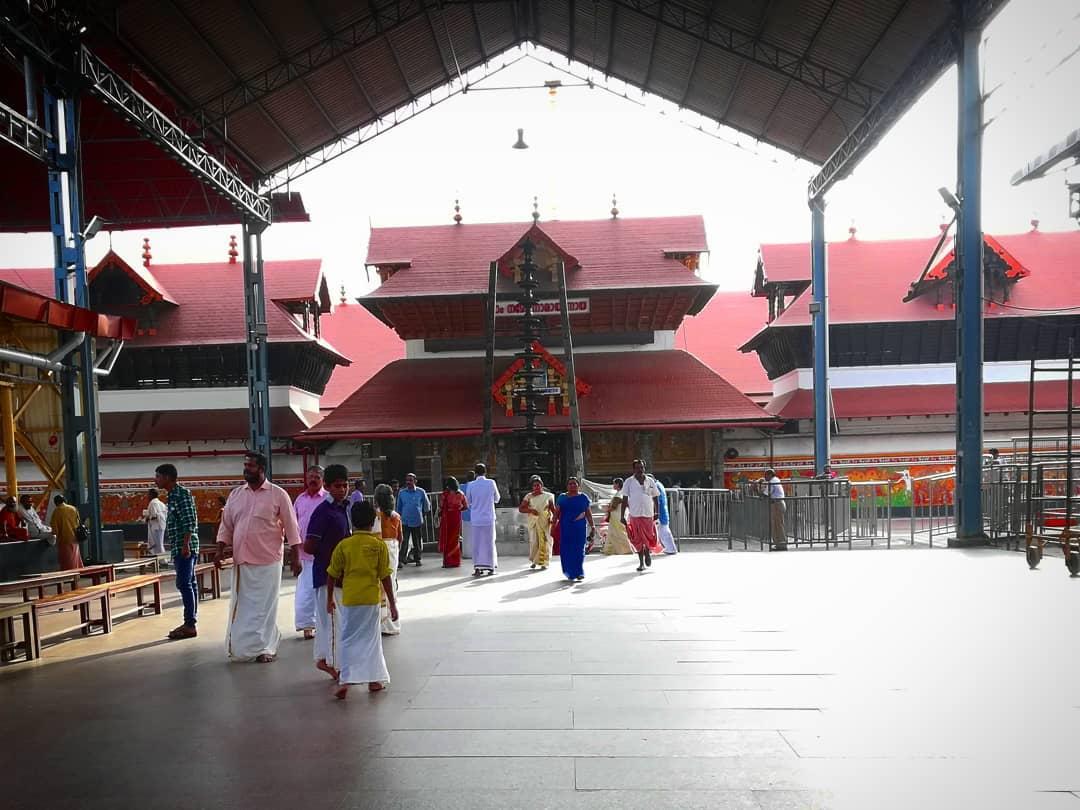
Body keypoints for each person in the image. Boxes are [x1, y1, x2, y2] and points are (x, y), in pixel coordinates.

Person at [215, 452, 302, 663]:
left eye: (251, 466)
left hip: (269, 559)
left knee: (265, 607)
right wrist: (219, 551)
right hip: (242, 559)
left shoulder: (278, 494)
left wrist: (296, 558)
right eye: (245, 465)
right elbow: (226, 526)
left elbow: (292, 528)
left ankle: (266, 648)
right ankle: (243, 647)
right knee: (244, 606)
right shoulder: (236, 494)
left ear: (262, 468)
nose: (246, 469)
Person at [326, 500, 398, 699]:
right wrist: (392, 604)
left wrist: (329, 598)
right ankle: (374, 680)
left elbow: (331, 574)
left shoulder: (344, 545)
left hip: (350, 600)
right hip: (370, 601)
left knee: (348, 639)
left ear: (352, 520)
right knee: (371, 639)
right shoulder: (378, 546)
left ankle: (346, 680)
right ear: (374, 520)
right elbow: (385, 577)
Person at [303, 464, 351, 679]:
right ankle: (336, 666)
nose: (342, 489)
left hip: (341, 576)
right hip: (326, 576)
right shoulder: (323, 511)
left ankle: (324, 659)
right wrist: (332, 555)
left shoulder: (341, 509)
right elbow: (309, 546)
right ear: (328, 486)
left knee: (330, 622)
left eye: (345, 485)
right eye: (337, 486)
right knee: (332, 622)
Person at [155, 464, 200, 640]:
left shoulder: (182, 494)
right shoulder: (172, 496)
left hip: (185, 547)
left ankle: (190, 624)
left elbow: (190, 521)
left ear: (167, 477)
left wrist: (185, 545)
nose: (156, 479)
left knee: (184, 583)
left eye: (158, 476)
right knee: (190, 583)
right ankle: (191, 622)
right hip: (180, 546)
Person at [293, 465, 327, 641]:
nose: (313, 480)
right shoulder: (300, 499)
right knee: (305, 592)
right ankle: (307, 626)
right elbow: (292, 524)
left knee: (323, 591)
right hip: (304, 554)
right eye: (310, 477)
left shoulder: (327, 499)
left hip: (323, 554)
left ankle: (324, 625)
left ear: (322, 480)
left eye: (317, 477)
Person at [620, 459, 662, 572]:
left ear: (644, 468)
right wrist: (622, 515)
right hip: (635, 514)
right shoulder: (628, 482)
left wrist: (657, 512)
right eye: (637, 467)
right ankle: (641, 563)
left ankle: (647, 552)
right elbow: (624, 500)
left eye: (642, 467)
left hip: (648, 513)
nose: (640, 469)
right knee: (637, 539)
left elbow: (655, 497)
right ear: (633, 469)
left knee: (648, 536)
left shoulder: (650, 481)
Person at [372, 484, 402, 635]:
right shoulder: (396, 516)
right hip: (393, 549)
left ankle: (382, 622)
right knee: (392, 581)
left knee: (380, 584)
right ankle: (391, 623)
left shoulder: (375, 516)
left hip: (379, 549)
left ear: (376, 499)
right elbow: (400, 538)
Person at [555, 477, 594, 582]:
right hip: (566, 526)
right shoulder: (562, 497)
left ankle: (579, 572)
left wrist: (593, 527)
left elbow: (588, 513)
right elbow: (556, 512)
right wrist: (552, 524)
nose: (572, 485)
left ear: (578, 485)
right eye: (570, 484)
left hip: (579, 527)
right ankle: (570, 572)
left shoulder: (583, 497)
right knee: (567, 549)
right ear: (567, 486)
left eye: (574, 484)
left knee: (579, 549)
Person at [466, 462, 500, 576]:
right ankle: (491, 568)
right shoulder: (491, 483)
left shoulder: (470, 485)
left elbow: (468, 501)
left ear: (475, 473)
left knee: (476, 543)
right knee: (489, 542)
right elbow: (497, 499)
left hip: (476, 519)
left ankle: (477, 568)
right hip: (488, 518)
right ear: (485, 472)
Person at [518, 475, 555, 569]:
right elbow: (521, 509)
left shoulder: (549, 496)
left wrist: (554, 519)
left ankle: (544, 562)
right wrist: (531, 510)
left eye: (538, 485)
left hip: (545, 521)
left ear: (542, 485)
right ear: (532, 487)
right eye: (535, 485)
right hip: (534, 521)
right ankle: (534, 560)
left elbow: (552, 509)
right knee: (534, 541)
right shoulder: (529, 496)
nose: (537, 487)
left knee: (545, 541)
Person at [395, 473, 428, 568]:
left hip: (417, 520)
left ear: (415, 481)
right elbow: (399, 507)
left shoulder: (421, 492)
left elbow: (426, 506)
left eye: (410, 480)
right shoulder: (402, 493)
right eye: (407, 480)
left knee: (416, 541)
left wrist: (423, 515)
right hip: (405, 520)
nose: (408, 482)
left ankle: (418, 559)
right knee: (404, 540)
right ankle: (401, 560)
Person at [439, 477, 467, 568]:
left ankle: (447, 562)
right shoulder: (461, 493)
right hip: (457, 517)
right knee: (455, 539)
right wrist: (458, 509)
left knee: (447, 539)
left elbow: (441, 506)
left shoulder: (445, 494)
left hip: (447, 518)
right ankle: (455, 561)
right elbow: (465, 506)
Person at [51, 494, 83, 569]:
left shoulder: (57, 511)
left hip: (64, 539)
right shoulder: (73, 508)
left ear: (56, 503)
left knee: (67, 560)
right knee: (75, 557)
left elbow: (55, 528)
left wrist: (54, 534)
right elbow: (78, 523)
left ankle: (70, 576)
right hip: (75, 537)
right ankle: (77, 573)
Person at [603, 479, 633, 555]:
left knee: (620, 533)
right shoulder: (621, 493)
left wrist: (607, 509)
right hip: (618, 515)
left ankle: (627, 549)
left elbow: (614, 506)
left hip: (617, 516)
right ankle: (611, 549)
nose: (613, 485)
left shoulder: (619, 494)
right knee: (613, 533)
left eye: (614, 484)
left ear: (618, 484)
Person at [761, 468, 787, 551]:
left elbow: (766, 493)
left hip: (777, 504)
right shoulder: (775, 480)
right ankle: (779, 544)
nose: (765, 477)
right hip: (778, 503)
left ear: (770, 475)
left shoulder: (772, 481)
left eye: (766, 475)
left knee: (778, 525)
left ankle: (782, 544)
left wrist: (759, 489)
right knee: (776, 525)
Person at [142, 488, 168, 556]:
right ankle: (158, 559)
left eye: (148, 494)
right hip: (161, 526)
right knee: (159, 543)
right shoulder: (161, 503)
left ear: (151, 495)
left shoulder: (153, 503)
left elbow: (154, 516)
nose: (147, 496)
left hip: (156, 527)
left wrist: (147, 518)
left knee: (157, 544)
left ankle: (162, 560)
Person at [655, 480, 678, 555]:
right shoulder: (659, 484)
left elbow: (657, 500)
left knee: (664, 531)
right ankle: (669, 548)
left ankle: (671, 549)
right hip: (662, 511)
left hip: (660, 512)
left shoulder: (656, 486)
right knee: (663, 531)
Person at [460, 470, 475, 559]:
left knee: (466, 535)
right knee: (475, 535)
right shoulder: (476, 487)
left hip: (464, 514)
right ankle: (474, 553)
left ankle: (466, 553)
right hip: (475, 514)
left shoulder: (461, 487)